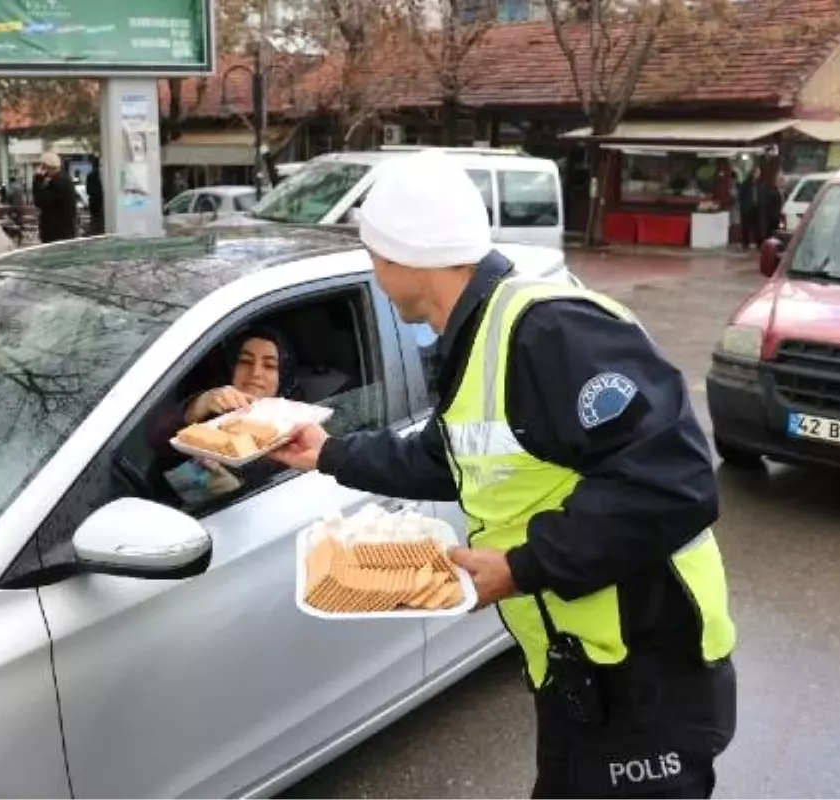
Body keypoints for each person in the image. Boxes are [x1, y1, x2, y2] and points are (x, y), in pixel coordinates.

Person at [270, 150, 737, 800]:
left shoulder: (550, 332)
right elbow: (450, 455)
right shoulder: (479, 335)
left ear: (408, 257)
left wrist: (523, 566)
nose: (374, 275)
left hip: (646, 672)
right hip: (580, 669)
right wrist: (327, 453)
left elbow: (675, 481)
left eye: (375, 256)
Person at [149, 327, 297, 505]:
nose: (256, 373)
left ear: (283, 375)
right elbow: (157, 441)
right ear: (232, 367)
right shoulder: (213, 404)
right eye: (245, 361)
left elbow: (281, 499)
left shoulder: (294, 427)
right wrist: (197, 406)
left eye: (270, 365)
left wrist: (236, 493)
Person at [32, 151, 79, 243]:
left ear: (46, 167)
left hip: (56, 231)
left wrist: (37, 181)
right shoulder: (62, 179)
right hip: (62, 229)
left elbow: (40, 201)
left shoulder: (58, 182)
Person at [86, 153, 105, 235]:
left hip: (94, 202)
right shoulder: (105, 174)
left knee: (95, 223)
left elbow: (88, 190)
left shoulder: (90, 175)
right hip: (101, 201)